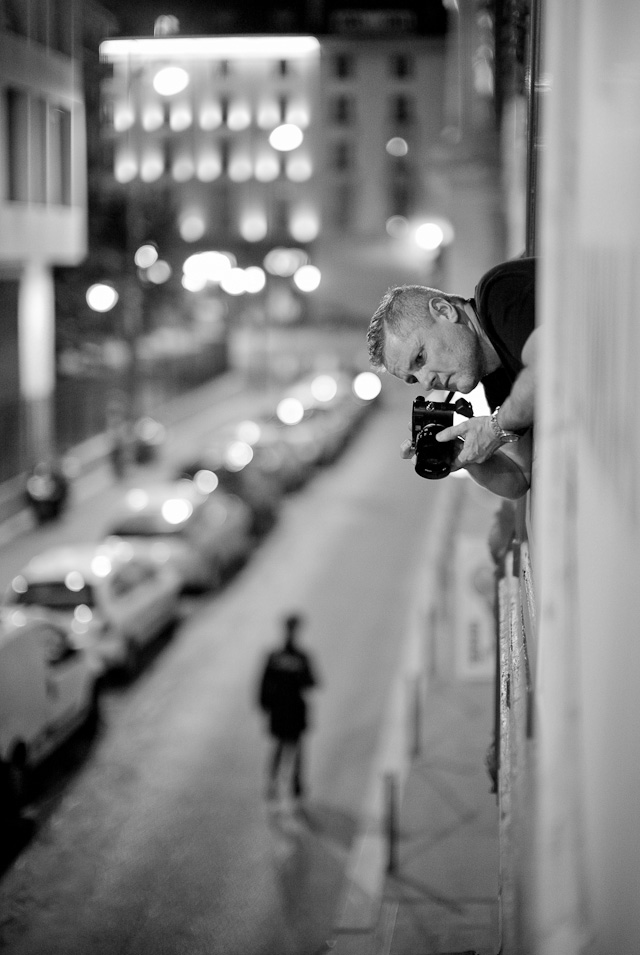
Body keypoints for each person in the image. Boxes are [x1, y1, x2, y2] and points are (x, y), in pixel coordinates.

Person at [366, 257, 539, 499]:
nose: (426, 383)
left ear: (445, 311)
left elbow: (548, 366)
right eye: (414, 379)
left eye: (420, 357)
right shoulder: (495, 377)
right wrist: (464, 456)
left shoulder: (498, 292)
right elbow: (520, 478)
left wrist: (496, 427)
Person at [257, 613, 319, 803]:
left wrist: (266, 705)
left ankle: (289, 784)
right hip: (286, 710)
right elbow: (264, 684)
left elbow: (312, 681)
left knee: (289, 749)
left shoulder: (287, 656)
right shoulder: (291, 657)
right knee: (285, 749)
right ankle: (282, 784)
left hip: (287, 710)